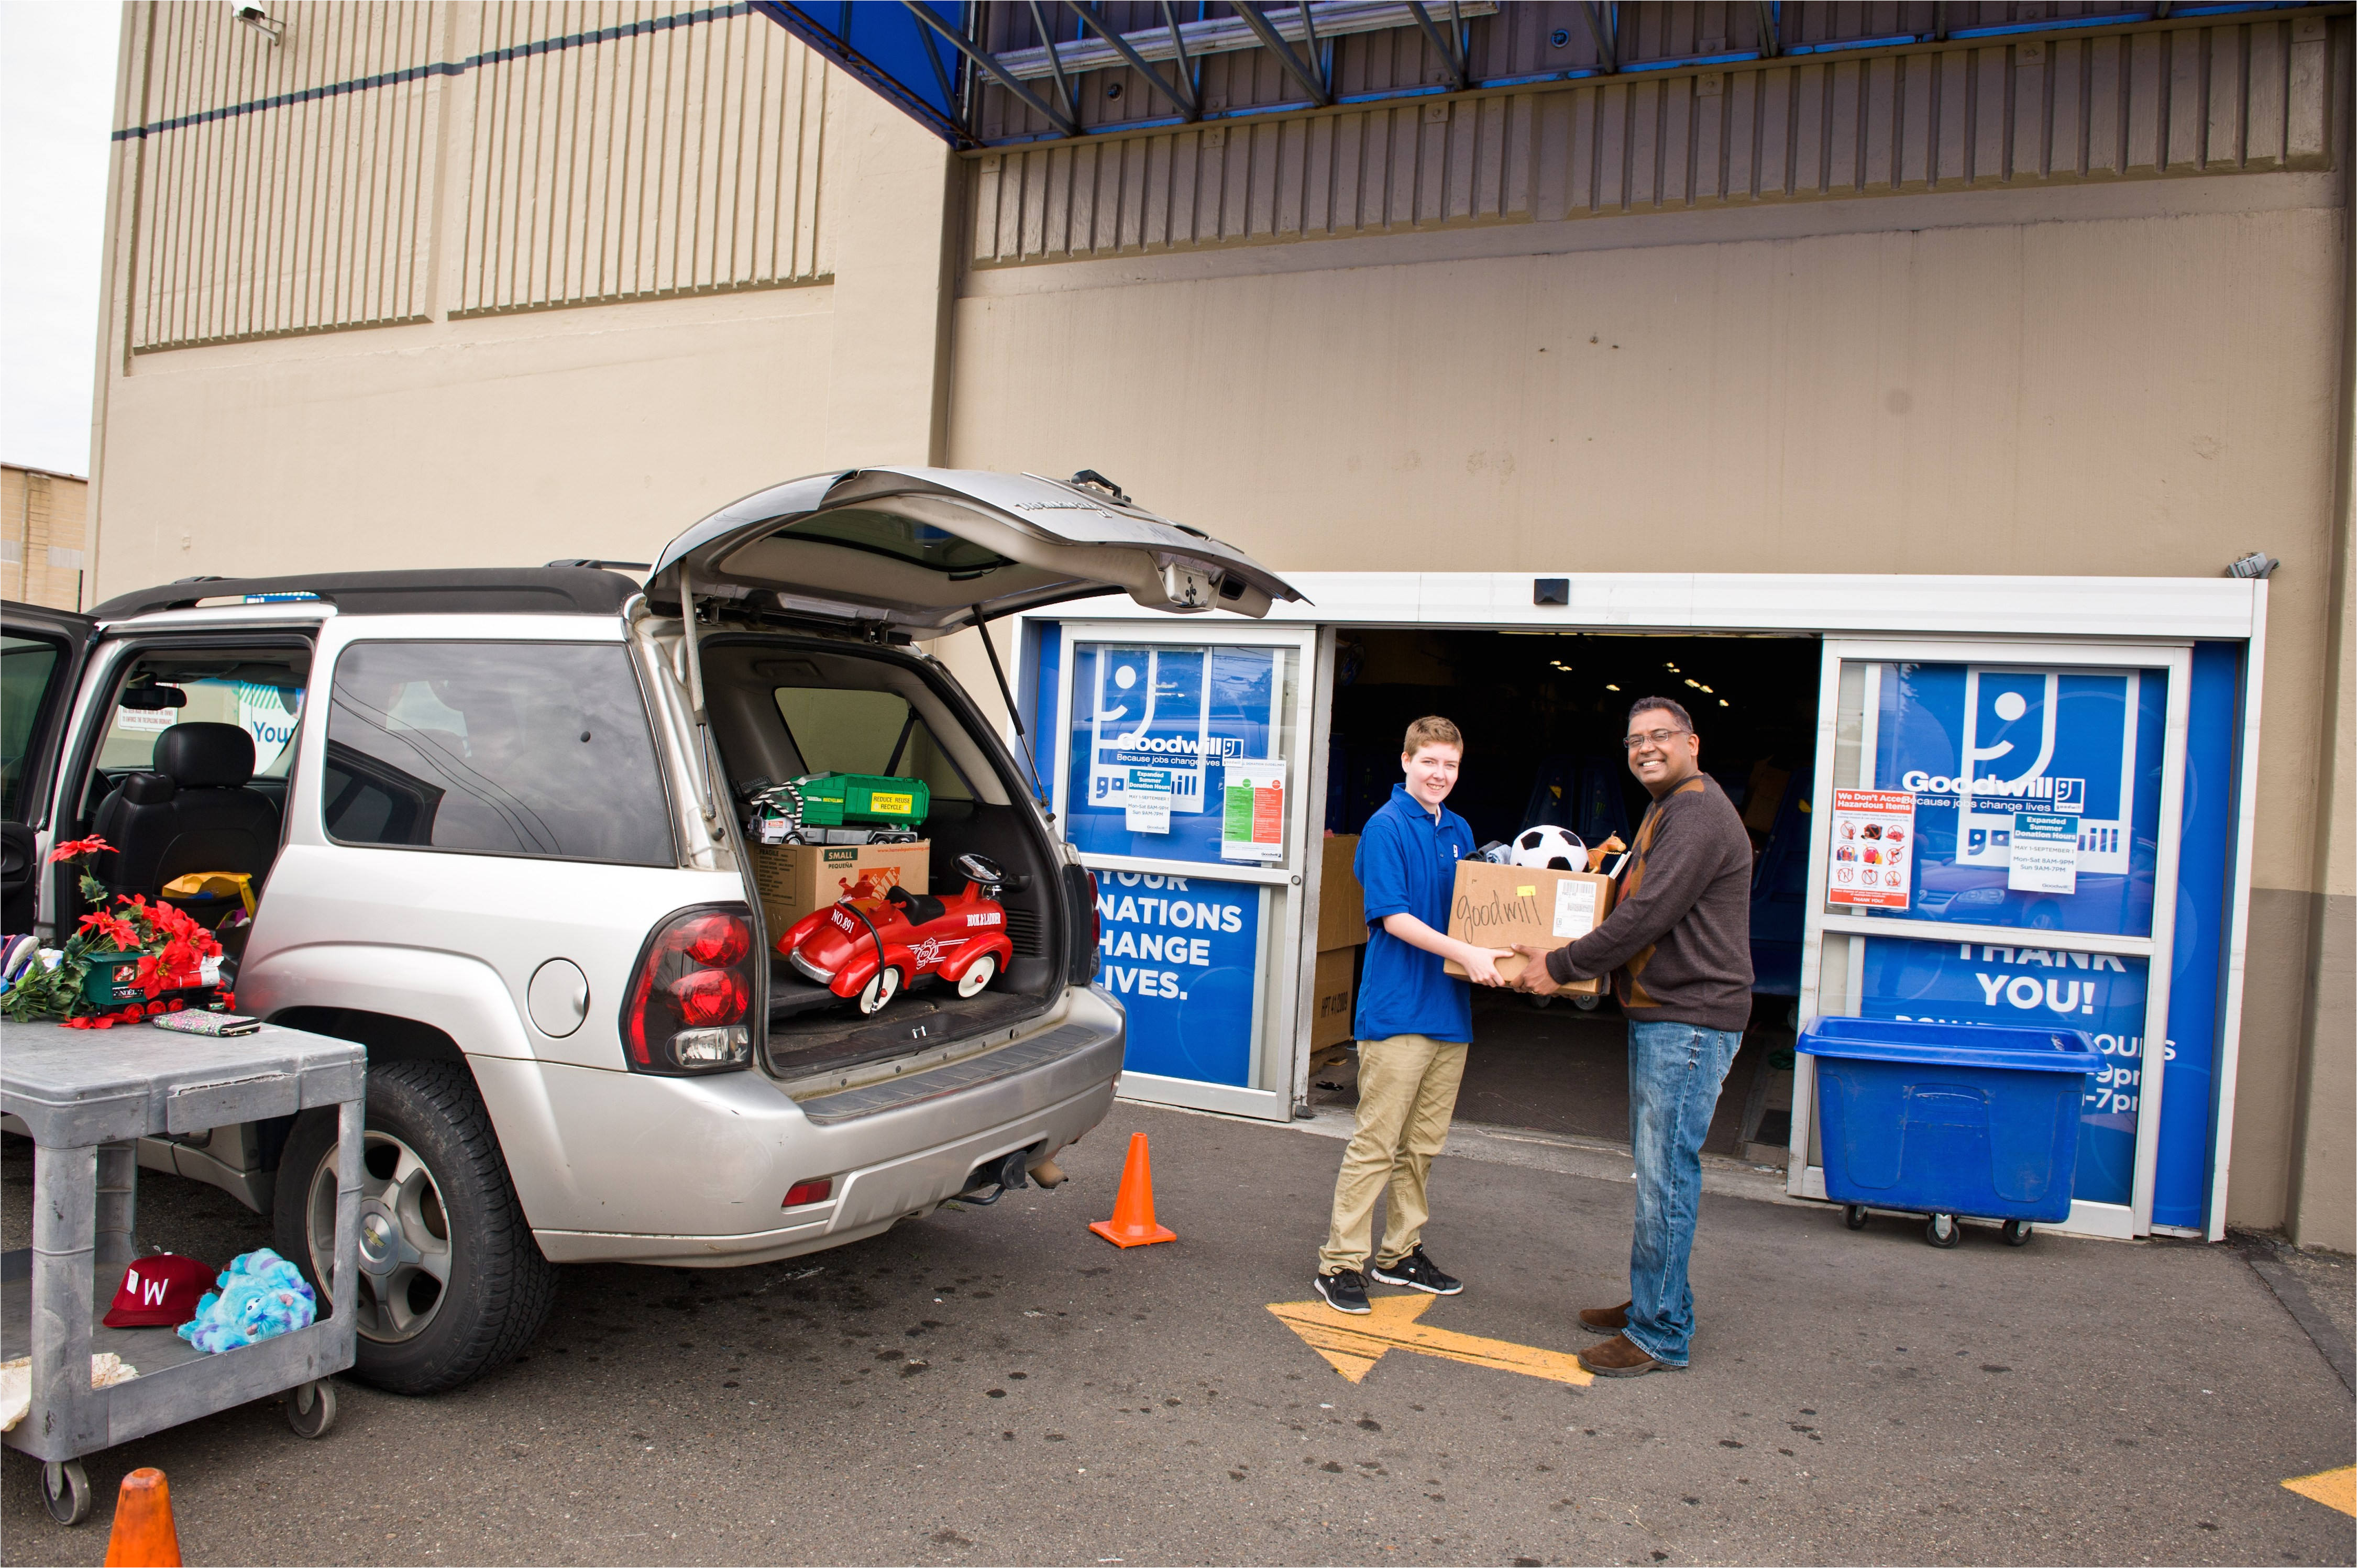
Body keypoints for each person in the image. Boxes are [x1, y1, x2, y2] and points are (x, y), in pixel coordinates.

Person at [1514, 697, 1753, 1376]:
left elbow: (1649, 913)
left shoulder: (1698, 811)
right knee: (1657, 1172)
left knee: (1665, 1179)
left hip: (1691, 1020)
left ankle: (1659, 1333)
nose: (1646, 747)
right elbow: (1629, 896)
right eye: (1634, 740)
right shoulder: (1667, 808)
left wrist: (1556, 966)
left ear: (1692, 743)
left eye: (1660, 737)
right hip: (1666, 1014)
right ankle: (1659, 1298)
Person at [1313, 716, 1512, 1316]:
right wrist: (1470, 954)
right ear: (1406, 762)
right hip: (1399, 1009)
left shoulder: (1459, 829)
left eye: (1450, 765)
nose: (1440, 775)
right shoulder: (1385, 827)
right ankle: (1340, 1262)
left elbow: (1472, 911)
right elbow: (1394, 917)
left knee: (1422, 1145)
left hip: (1449, 1012)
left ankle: (1399, 1254)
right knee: (1377, 1142)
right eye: (1430, 762)